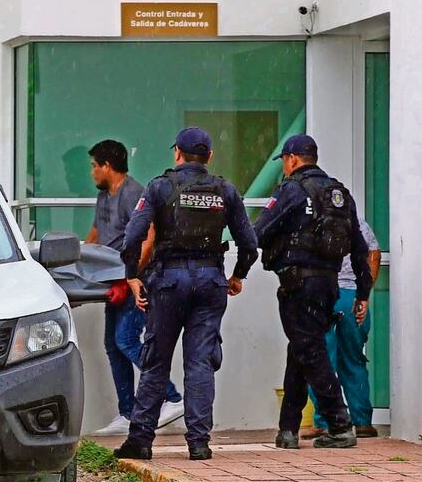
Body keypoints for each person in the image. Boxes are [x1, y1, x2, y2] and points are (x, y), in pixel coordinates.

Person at [114, 127, 258, 461]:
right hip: (210, 282)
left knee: (155, 361)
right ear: (209, 156)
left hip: (168, 283)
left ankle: (141, 440)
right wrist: (237, 276)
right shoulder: (225, 191)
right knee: (200, 363)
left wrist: (132, 275)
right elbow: (249, 244)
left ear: (177, 153)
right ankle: (198, 442)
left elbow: (132, 237)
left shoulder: (159, 187)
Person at [253, 134, 373, 450]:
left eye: (284, 161)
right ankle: (288, 429)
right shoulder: (338, 194)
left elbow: (259, 231)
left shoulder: (291, 190)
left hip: (298, 285)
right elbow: (360, 248)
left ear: (292, 159)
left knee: (310, 351)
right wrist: (363, 292)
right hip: (329, 285)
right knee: (301, 350)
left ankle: (339, 423)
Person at [85, 139, 184, 436]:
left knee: (126, 339)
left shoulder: (133, 193)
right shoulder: (105, 196)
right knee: (113, 345)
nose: (92, 173)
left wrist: (132, 274)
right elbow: (96, 232)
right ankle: (127, 412)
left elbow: (149, 235)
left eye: (94, 166)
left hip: (135, 279)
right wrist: (74, 262)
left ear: (107, 166)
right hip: (112, 279)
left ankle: (171, 397)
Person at [302, 218, 381, 439]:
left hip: (320, 294)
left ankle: (325, 422)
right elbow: (374, 255)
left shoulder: (309, 216)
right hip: (352, 297)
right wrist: (364, 294)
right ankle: (363, 422)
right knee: (354, 359)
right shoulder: (355, 220)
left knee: (319, 360)